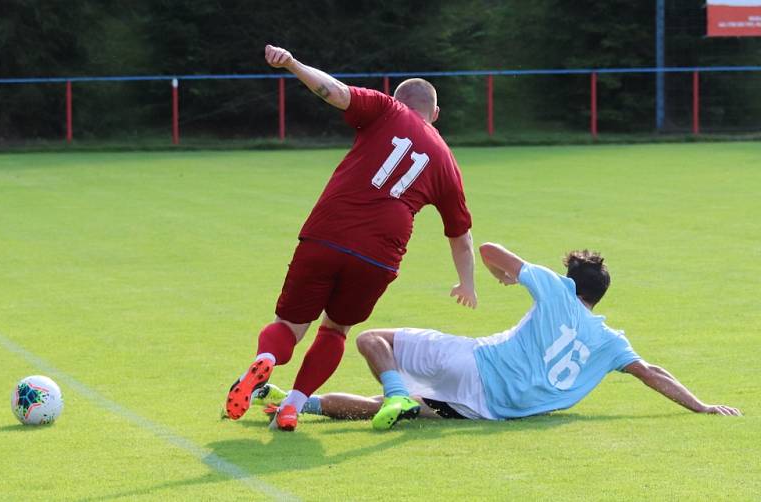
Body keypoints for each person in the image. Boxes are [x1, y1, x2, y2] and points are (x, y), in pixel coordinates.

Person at [225, 45, 477, 432]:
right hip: (380, 253)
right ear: (436, 114)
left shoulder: (385, 109)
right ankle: (292, 405)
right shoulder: (446, 160)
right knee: (335, 329)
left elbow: (334, 91)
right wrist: (467, 283)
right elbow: (460, 235)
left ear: (397, 100)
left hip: (329, 230)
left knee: (290, 324)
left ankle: (267, 359)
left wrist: (292, 63)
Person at [256, 243, 741, 429]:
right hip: (493, 408)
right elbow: (652, 373)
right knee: (382, 405)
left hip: (477, 365)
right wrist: (701, 406)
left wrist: (506, 276)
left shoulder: (556, 290)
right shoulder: (611, 342)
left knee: (370, 341)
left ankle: (396, 396)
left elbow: (489, 249)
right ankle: (295, 406)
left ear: (572, 282)